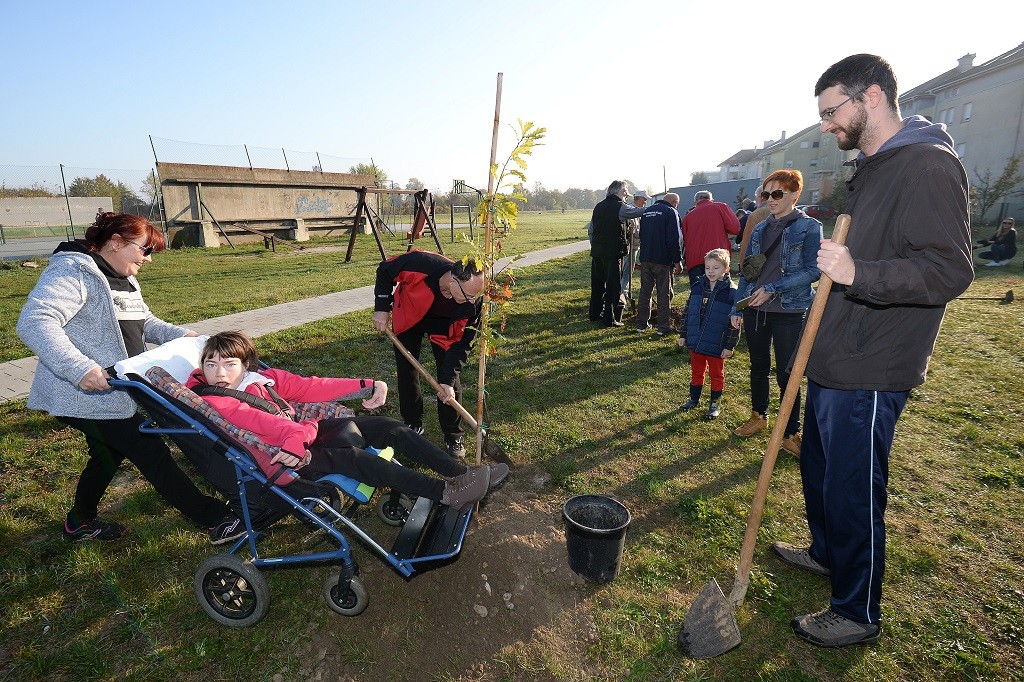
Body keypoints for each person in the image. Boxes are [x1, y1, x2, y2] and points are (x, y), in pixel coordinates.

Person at [771, 54, 973, 649]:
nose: (827, 125)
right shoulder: (873, 167)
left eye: (833, 112)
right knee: (822, 470)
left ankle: (857, 609)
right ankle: (828, 553)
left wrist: (860, 271)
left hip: (873, 362)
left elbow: (948, 270)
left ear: (874, 97)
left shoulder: (928, 166)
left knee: (854, 486)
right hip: (835, 350)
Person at [16, 211, 241, 543]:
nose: (148, 259)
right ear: (116, 243)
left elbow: (145, 322)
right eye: (144, 250)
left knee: (108, 454)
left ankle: (79, 523)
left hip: (118, 388)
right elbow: (35, 321)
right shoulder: (73, 272)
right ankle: (215, 519)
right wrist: (80, 369)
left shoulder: (125, 276)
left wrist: (184, 335)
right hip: (81, 395)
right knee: (150, 450)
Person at [186, 332, 507, 512]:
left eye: (229, 364)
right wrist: (298, 436)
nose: (220, 372)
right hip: (280, 458)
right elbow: (256, 420)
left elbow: (312, 385)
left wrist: (366, 385)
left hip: (303, 435)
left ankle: (462, 474)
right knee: (354, 458)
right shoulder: (213, 398)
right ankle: (446, 492)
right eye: (211, 364)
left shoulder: (262, 378)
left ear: (246, 365)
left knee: (387, 427)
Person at [730, 170, 822, 457]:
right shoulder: (759, 228)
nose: (770, 199)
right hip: (756, 310)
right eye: (766, 194)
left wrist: (774, 287)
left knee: (787, 373)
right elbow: (748, 270)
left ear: (795, 194)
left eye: (777, 194)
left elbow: (814, 270)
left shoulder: (809, 228)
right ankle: (759, 415)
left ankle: (791, 432)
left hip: (789, 310)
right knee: (758, 367)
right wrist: (737, 305)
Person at [372, 251, 484, 459]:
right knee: (407, 369)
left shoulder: (473, 303)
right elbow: (385, 270)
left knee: (450, 381)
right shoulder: (421, 263)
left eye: (475, 295)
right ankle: (413, 422)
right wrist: (381, 308)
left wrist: (447, 380)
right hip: (411, 313)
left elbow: (462, 345)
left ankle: (453, 435)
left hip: (444, 326)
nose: (472, 300)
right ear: (452, 281)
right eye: (468, 295)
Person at [677, 248, 739, 419]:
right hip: (696, 340)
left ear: (726, 269)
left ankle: (714, 404)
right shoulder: (697, 287)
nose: (711, 271)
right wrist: (684, 334)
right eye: (708, 267)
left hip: (716, 343)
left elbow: (735, 323)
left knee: (716, 374)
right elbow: (688, 312)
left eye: (716, 268)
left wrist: (729, 345)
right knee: (697, 371)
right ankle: (694, 398)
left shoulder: (732, 293)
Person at [589, 180, 647, 326]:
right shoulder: (620, 207)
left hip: (597, 252)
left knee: (597, 284)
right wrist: (658, 208)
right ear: (618, 191)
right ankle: (609, 318)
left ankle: (594, 314)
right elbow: (639, 211)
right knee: (613, 286)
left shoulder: (598, 206)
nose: (627, 193)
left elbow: (592, 229)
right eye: (625, 190)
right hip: (613, 253)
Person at [635, 192, 683, 335]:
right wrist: (677, 260)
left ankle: (641, 324)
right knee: (664, 294)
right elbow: (674, 239)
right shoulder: (670, 212)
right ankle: (663, 327)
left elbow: (642, 235)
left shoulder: (647, 212)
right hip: (662, 260)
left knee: (645, 292)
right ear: (674, 202)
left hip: (646, 258)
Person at [680, 190, 741, 287]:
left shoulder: (688, 217)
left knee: (698, 293)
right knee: (720, 293)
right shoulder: (720, 207)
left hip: (695, 259)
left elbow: (684, 239)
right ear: (711, 199)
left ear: (696, 201)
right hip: (718, 257)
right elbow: (735, 228)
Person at [621, 190, 650, 306]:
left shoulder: (636, 210)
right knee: (627, 271)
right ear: (639, 199)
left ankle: (625, 291)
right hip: (630, 247)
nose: (645, 202)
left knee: (629, 270)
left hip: (634, 246)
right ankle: (622, 293)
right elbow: (634, 232)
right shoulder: (631, 211)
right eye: (645, 199)